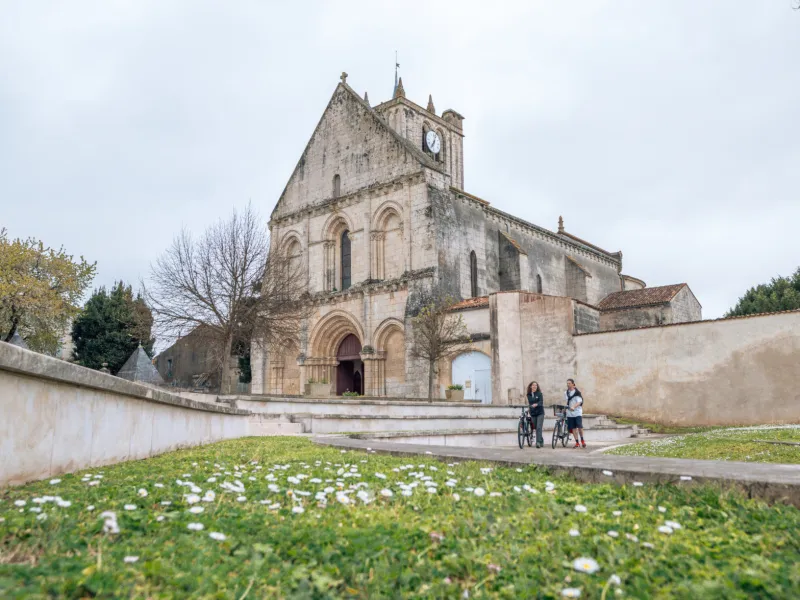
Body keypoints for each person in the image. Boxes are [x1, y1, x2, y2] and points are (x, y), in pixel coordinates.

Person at [565, 378, 586, 449]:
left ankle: (582, 440)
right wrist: (566, 409)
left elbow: (579, 402)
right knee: (573, 428)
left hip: (577, 412)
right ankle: (577, 442)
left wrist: (573, 407)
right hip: (570, 413)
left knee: (579, 426)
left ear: (573, 384)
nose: (568, 385)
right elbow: (567, 402)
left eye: (569, 383)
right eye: (567, 383)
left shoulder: (577, 392)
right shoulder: (566, 393)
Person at [526, 381, 545, 448]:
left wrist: (536, 404)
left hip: (540, 412)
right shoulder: (529, 395)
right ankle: (541, 440)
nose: (535, 386)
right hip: (533, 413)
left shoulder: (539, 394)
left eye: (536, 385)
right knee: (536, 428)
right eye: (533, 385)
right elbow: (530, 401)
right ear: (531, 386)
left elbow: (541, 402)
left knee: (539, 427)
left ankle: (538, 442)